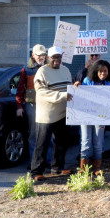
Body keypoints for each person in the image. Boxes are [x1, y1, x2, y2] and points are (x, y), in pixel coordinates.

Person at [30, 46, 73, 181]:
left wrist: (74, 89)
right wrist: (62, 95)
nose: (56, 60)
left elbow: (70, 88)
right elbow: (41, 92)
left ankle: (57, 168)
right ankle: (36, 171)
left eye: (59, 57)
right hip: (46, 115)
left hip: (62, 112)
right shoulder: (42, 71)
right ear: (49, 57)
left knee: (61, 142)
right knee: (42, 144)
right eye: (54, 57)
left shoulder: (66, 70)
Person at [74, 59, 110, 175]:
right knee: (85, 141)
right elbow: (79, 94)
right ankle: (83, 169)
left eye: (105, 71)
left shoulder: (109, 85)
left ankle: (96, 168)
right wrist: (77, 86)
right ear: (96, 71)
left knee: (98, 142)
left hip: (100, 117)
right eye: (100, 71)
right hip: (85, 116)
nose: (103, 74)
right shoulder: (87, 80)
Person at [15, 44, 48, 162]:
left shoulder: (49, 68)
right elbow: (20, 89)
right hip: (32, 105)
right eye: (38, 55)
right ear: (33, 55)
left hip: (47, 105)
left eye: (43, 55)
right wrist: (19, 106)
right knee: (34, 134)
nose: (41, 57)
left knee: (46, 133)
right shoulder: (26, 70)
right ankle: (34, 162)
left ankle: (46, 161)